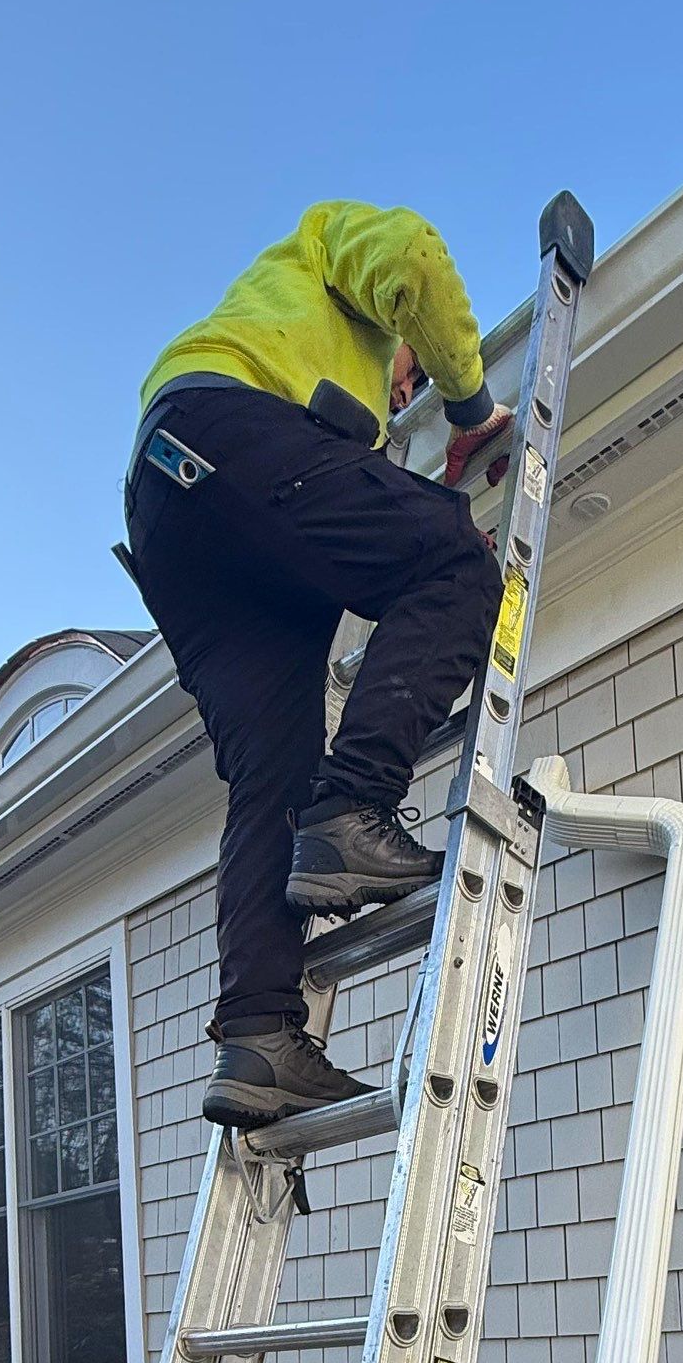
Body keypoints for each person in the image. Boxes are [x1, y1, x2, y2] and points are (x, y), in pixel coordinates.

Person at [119, 201, 513, 1128]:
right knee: (453, 561)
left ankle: (258, 1037)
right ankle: (356, 810)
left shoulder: (329, 403)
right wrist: (468, 405)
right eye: (405, 371)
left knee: (274, 775)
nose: (398, 382)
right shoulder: (325, 245)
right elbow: (413, 253)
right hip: (223, 428)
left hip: (173, 508)